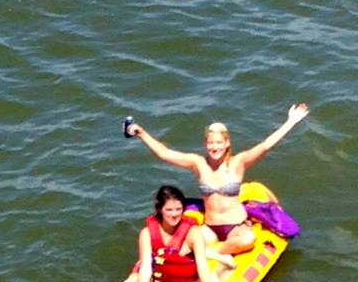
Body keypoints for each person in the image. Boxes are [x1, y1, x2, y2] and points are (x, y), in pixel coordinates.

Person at [54, 186, 248, 282]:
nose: (175, 214)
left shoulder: (193, 232)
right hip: (165, 280)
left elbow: (202, 268)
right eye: (169, 210)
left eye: (179, 209)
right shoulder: (147, 234)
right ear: (160, 210)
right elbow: (146, 266)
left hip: (189, 281)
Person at [124, 104, 309, 255]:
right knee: (177, 250)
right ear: (206, 144)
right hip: (210, 228)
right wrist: (141, 133)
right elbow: (164, 154)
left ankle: (211, 253)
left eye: (219, 143)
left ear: (227, 143)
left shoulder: (239, 163)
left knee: (248, 240)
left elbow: (266, 145)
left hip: (236, 226)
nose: (214, 147)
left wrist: (291, 121)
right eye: (211, 143)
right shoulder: (198, 164)